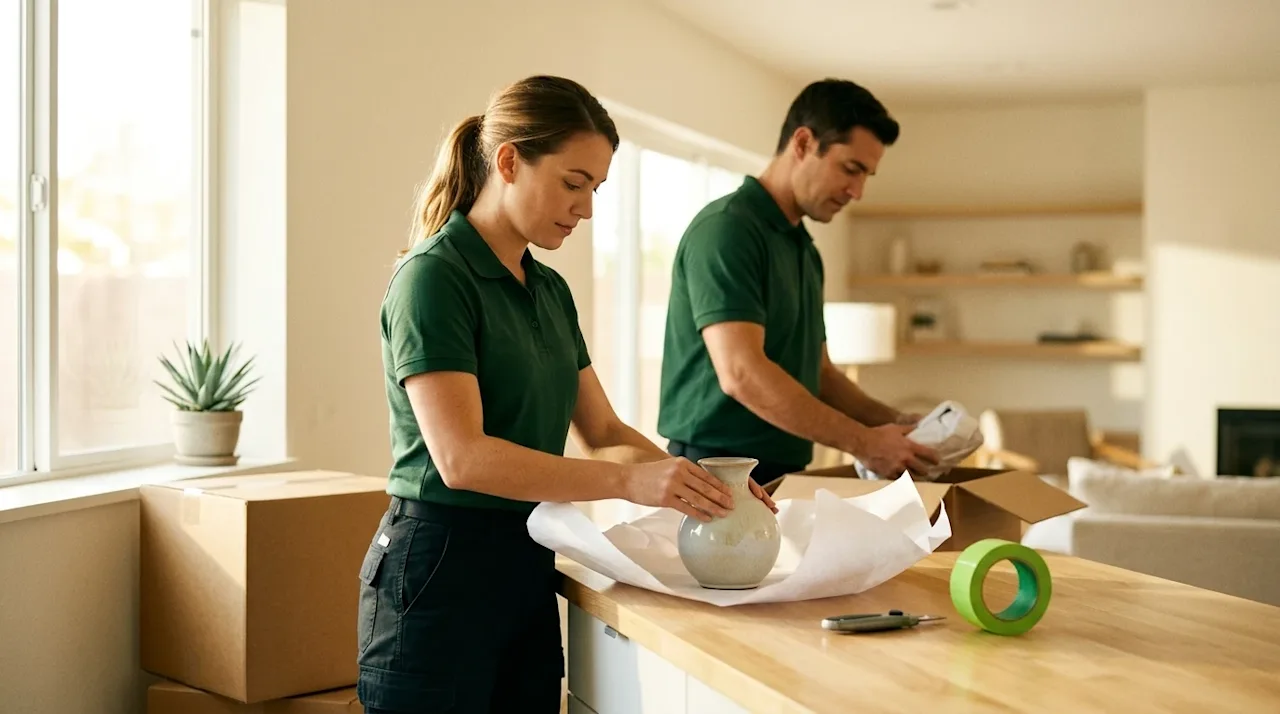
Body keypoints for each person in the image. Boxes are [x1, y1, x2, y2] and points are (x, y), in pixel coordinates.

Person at [356, 75, 776, 714]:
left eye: (596, 189)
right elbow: (462, 460)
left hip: (527, 557)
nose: (585, 208)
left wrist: (702, 483)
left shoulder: (549, 292)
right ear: (508, 162)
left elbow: (603, 431)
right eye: (573, 183)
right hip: (438, 568)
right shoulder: (433, 279)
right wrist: (629, 486)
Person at [657, 78, 940, 489]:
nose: (857, 191)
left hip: (784, 470)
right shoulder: (728, 231)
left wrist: (897, 424)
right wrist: (864, 442)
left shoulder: (803, 250)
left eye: (867, 176)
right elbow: (741, 373)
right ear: (804, 143)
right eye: (851, 169)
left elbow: (820, 374)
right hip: (716, 472)